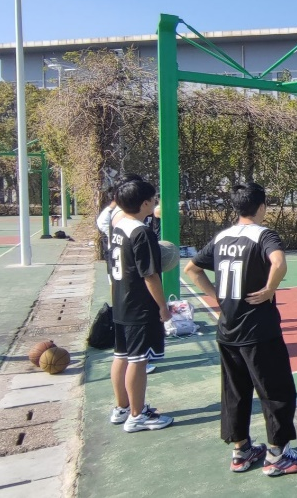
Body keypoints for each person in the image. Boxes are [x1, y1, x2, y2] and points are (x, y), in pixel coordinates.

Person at [183, 183, 297, 476]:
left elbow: (191, 269)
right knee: (276, 390)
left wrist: (217, 296)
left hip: (228, 329)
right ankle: (277, 455)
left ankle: (241, 450)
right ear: (261, 207)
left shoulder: (222, 237)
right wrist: (269, 289)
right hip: (258, 330)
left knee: (235, 392)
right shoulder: (264, 235)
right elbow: (279, 263)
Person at [107, 179, 173, 433]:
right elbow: (150, 275)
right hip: (138, 305)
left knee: (121, 356)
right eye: (153, 198)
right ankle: (137, 416)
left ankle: (122, 407)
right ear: (145, 203)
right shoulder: (141, 232)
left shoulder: (118, 227)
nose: (156, 201)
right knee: (138, 360)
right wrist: (162, 307)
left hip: (120, 302)